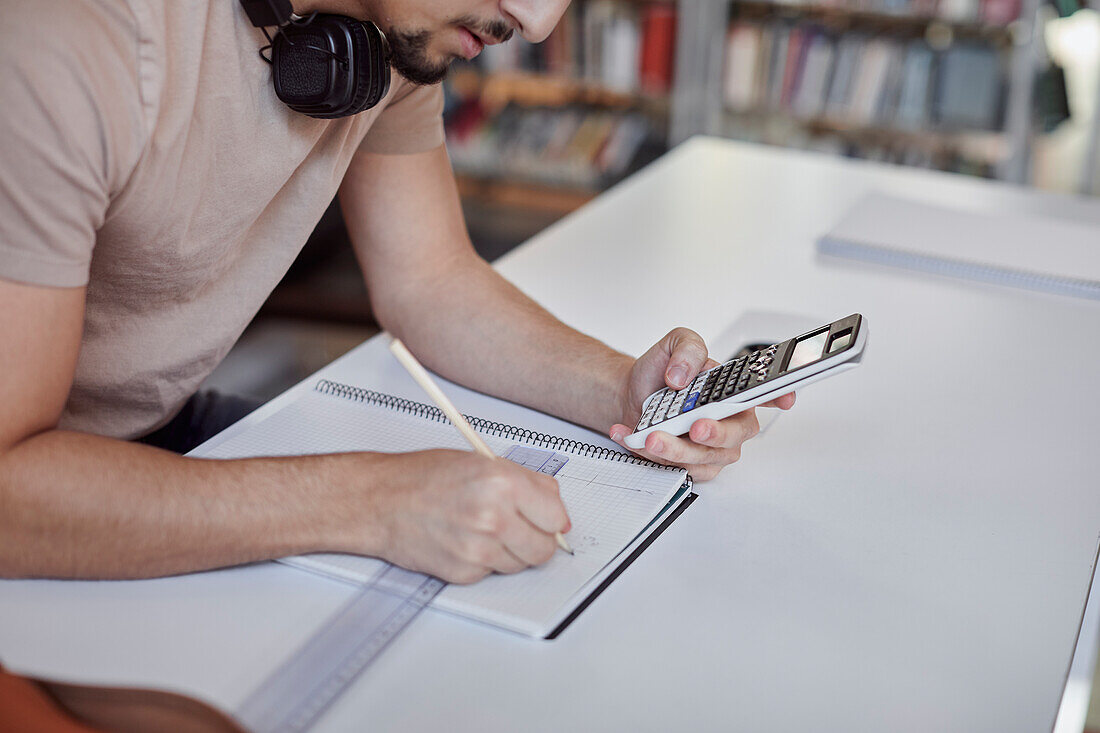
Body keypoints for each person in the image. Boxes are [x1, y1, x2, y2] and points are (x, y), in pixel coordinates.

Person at [0, 0, 794, 584]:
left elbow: (431, 280)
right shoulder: (67, 37)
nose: (538, 20)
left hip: (153, 434)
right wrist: (374, 500)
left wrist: (627, 392)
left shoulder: (394, 39)